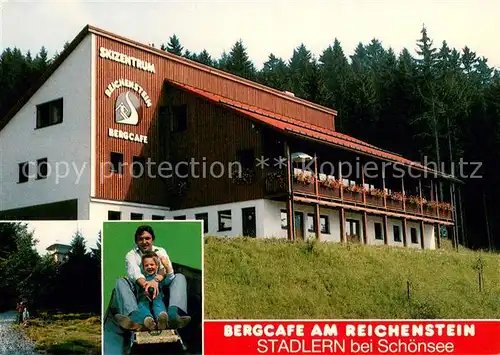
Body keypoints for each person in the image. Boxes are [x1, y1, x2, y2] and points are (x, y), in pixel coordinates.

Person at [112, 225, 191, 331]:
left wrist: (155, 281)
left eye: (147, 238)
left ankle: (173, 315)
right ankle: (135, 317)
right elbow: (134, 273)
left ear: (152, 239)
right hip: (140, 288)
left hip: (161, 287)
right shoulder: (131, 255)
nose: (144, 242)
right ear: (136, 241)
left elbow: (166, 269)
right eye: (141, 239)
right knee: (120, 281)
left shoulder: (160, 251)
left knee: (179, 277)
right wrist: (147, 285)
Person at [125, 251, 169, 330]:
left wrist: (166, 266)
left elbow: (168, 277)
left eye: (152, 264)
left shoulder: (158, 277)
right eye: (146, 265)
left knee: (159, 304)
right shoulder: (141, 277)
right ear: (143, 267)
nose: (149, 267)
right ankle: (148, 321)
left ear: (157, 266)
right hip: (143, 298)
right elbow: (134, 282)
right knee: (142, 306)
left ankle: (161, 320)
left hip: (157, 297)